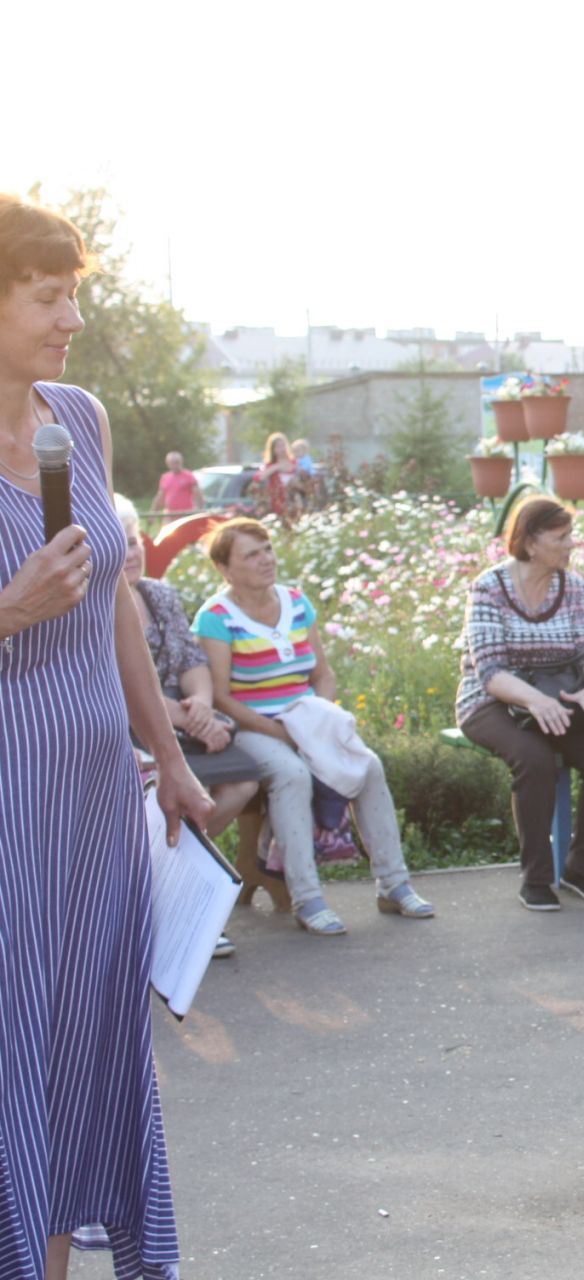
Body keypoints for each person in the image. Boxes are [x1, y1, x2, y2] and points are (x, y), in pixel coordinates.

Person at [0, 191, 213, 1280]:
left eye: (74, 292)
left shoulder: (78, 417)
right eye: (46, 295)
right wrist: (5, 610)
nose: (70, 315)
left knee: (85, 1048)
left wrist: (168, 758)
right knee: (12, 1055)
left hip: (94, 787)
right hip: (5, 798)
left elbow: (119, 598)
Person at [194, 517, 435, 935]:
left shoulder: (297, 603)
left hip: (306, 719)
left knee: (369, 765)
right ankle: (308, 898)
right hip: (253, 726)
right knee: (292, 774)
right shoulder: (216, 617)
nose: (266, 559)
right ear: (225, 568)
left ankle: (394, 884)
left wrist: (319, 720)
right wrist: (282, 734)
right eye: (251, 554)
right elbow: (221, 698)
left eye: (267, 547)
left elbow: (322, 673)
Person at [456, 496, 584, 913]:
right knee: (535, 760)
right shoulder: (489, 587)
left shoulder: (573, 587)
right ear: (530, 543)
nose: (571, 545)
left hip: (561, 696)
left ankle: (583, 869)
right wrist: (535, 702)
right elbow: (490, 672)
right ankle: (536, 877)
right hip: (495, 702)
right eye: (561, 537)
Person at [115, 496, 263, 837]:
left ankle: (176, 861)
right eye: (119, 545)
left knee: (243, 780)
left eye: (134, 543)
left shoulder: (160, 595)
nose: (131, 554)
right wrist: (191, 720)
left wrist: (201, 704)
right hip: (132, 724)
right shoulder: (93, 606)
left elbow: (192, 660)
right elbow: (119, 682)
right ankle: (156, 862)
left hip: (186, 718)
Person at [255, 432, 299, 522]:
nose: (281, 449)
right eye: (278, 446)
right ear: (272, 449)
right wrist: (277, 467)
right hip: (277, 503)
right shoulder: (269, 465)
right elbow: (258, 477)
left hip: (294, 501)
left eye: (283, 446)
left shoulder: (294, 462)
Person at [152, 450, 200, 515]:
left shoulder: (189, 476)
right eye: (171, 463)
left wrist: (198, 510)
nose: (174, 465)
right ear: (167, 463)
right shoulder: (165, 477)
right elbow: (160, 496)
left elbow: (198, 494)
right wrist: (153, 513)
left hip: (186, 514)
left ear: (181, 462)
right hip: (169, 514)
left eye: (177, 462)